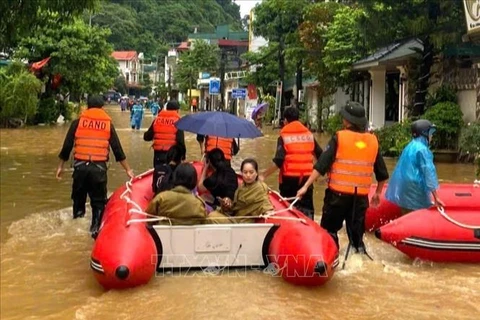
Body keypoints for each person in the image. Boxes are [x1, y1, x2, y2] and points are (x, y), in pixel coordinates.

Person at [296, 101, 389, 254]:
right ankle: (358, 259)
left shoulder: (339, 137)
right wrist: (378, 193)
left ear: (347, 120)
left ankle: (330, 259)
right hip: (359, 199)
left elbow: (321, 165)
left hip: (337, 197)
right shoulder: (373, 141)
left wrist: (306, 186)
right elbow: (382, 174)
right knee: (357, 238)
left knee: (329, 232)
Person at [56, 94, 134, 238]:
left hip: (80, 169)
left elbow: (67, 146)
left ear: (87, 106)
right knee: (98, 204)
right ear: (102, 107)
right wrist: (128, 169)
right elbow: (118, 150)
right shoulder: (107, 124)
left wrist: (60, 166)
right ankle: (95, 231)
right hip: (98, 171)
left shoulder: (78, 122)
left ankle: (76, 229)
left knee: (78, 203)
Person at [259, 107, 323, 220]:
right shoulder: (309, 135)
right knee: (307, 211)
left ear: (285, 121)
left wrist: (263, 175)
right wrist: (317, 176)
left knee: (288, 210)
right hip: (307, 180)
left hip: (289, 181)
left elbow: (279, 160)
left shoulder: (283, 137)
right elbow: (321, 156)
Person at [385, 119, 444, 214]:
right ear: (424, 133)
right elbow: (429, 173)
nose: (432, 135)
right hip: (415, 191)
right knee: (417, 220)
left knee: (405, 217)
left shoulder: (409, 146)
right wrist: (436, 197)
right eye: (431, 132)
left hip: (403, 189)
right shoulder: (423, 150)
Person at [210, 158, 273, 224]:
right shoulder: (242, 187)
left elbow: (265, 203)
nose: (248, 175)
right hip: (235, 216)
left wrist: (267, 212)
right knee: (212, 213)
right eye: (245, 172)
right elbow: (235, 207)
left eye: (251, 172)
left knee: (212, 217)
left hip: (243, 222)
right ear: (241, 173)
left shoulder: (259, 188)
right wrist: (227, 204)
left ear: (256, 173)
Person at [144, 100, 185, 193]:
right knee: (172, 180)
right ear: (177, 110)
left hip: (158, 156)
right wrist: (183, 157)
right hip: (172, 157)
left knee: (158, 176)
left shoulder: (157, 119)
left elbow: (146, 137)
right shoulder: (178, 121)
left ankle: (157, 195)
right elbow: (180, 142)